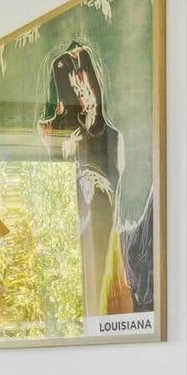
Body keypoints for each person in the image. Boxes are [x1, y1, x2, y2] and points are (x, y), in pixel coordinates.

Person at [36, 40, 128, 316]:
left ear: (96, 85)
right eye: (74, 89)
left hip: (102, 225)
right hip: (76, 233)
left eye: (84, 87)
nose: (81, 95)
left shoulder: (113, 136)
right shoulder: (66, 139)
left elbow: (119, 192)